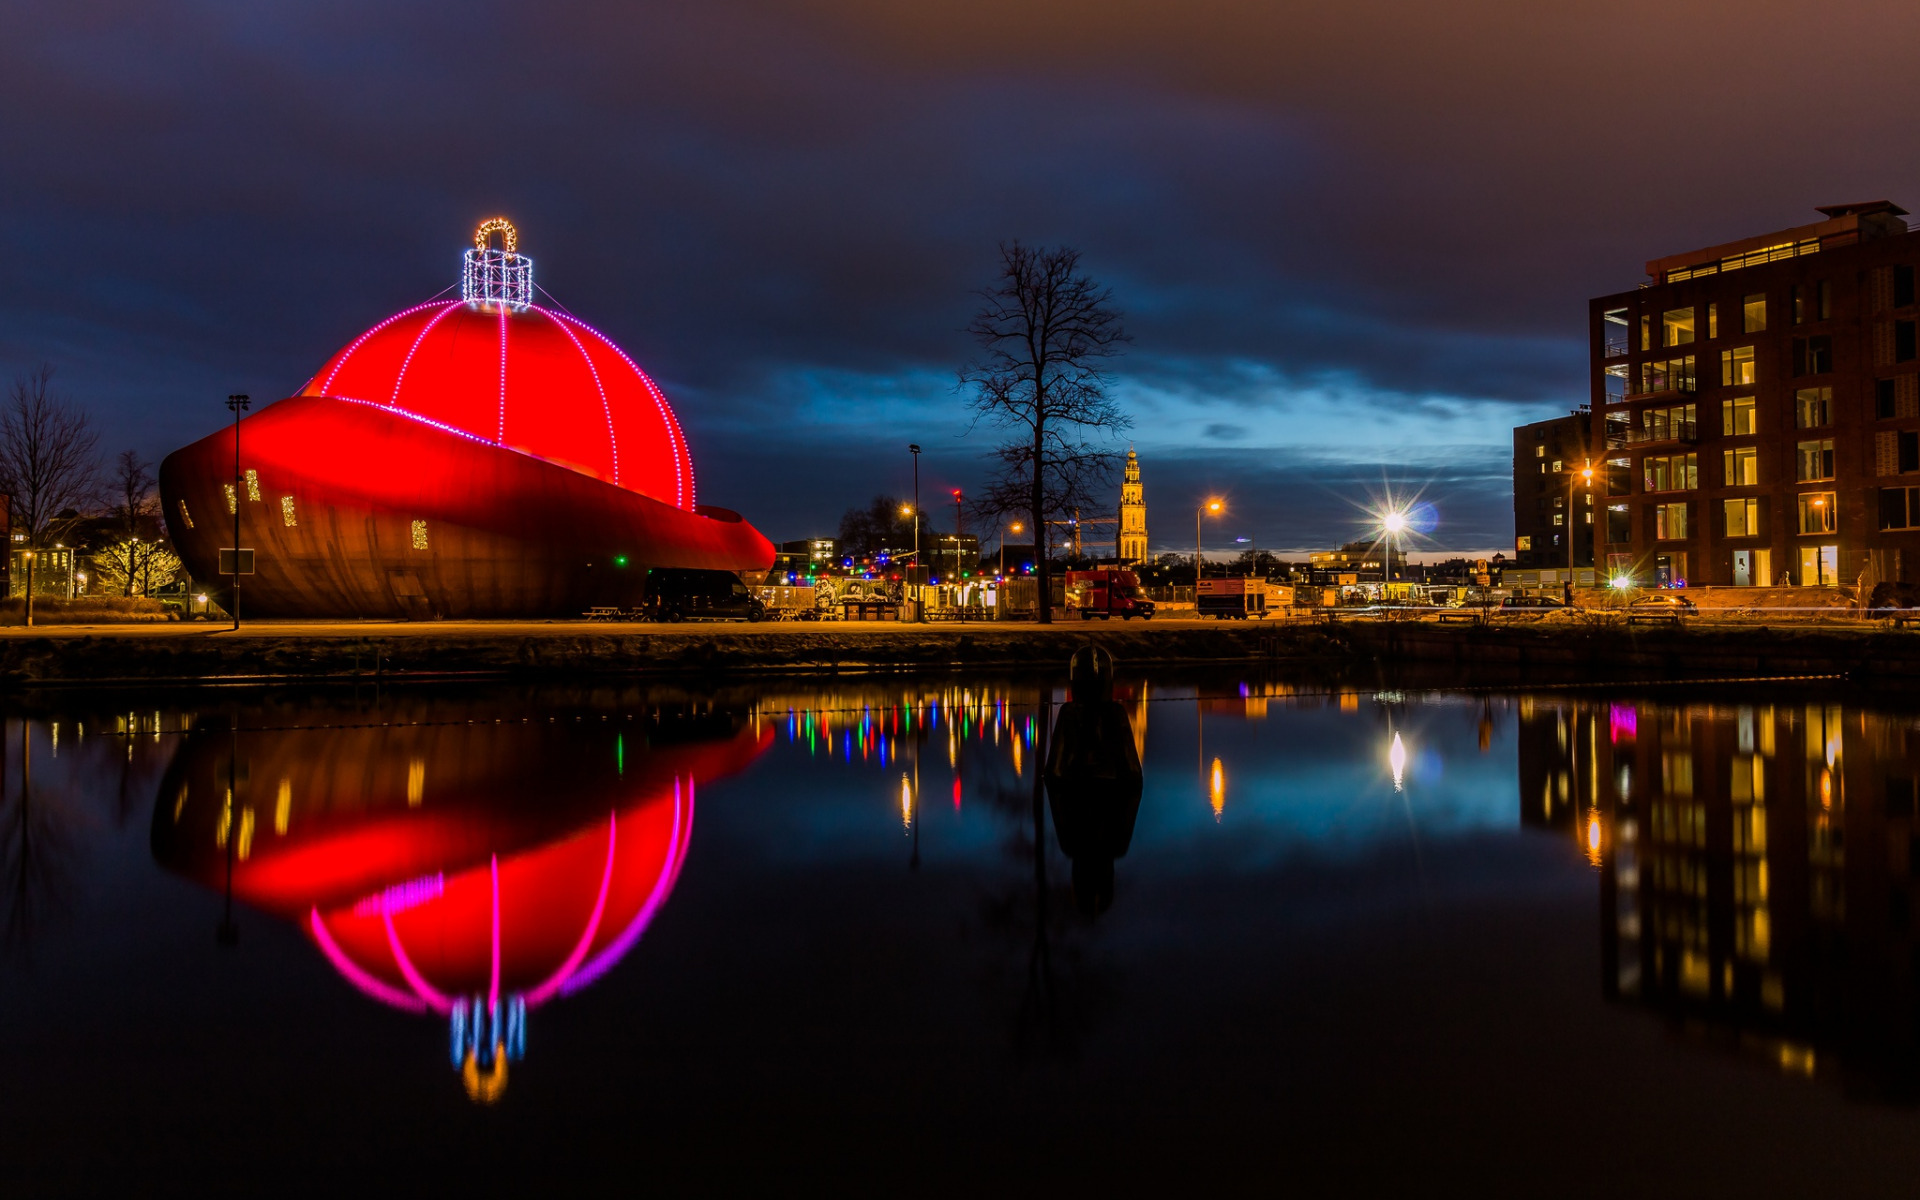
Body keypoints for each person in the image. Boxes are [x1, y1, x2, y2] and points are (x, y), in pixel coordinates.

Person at [1044, 645, 1143, 917]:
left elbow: (1055, 773)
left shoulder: (1072, 714)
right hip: (1109, 793)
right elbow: (1132, 775)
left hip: (1076, 793)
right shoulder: (1111, 714)